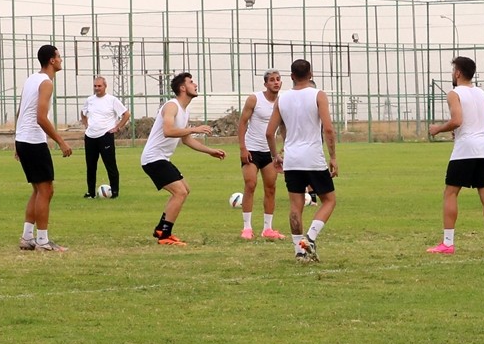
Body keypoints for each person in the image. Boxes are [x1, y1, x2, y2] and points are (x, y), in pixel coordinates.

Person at [140, 72, 226, 246]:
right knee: (180, 192)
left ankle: (160, 227)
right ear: (182, 88)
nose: (195, 85)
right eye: (191, 82)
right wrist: (195, 129)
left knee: (185, 189)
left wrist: (210, 151)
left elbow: (186, 139)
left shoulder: (184, 111)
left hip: (161, 158)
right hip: (153, 158)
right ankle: (165, 235)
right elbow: (168, 131)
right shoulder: (172, 106)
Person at [265, 60, 337, 263]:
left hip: (292, 159)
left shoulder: (282, 98)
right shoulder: (318, 95)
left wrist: (275, 156)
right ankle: (311, 238)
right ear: (311, 74)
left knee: (295, 207)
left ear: (291, 76)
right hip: (313, 157)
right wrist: (332, 156)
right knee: (329, 200)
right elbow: (329, 129)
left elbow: (270, 132)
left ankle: (299, 252)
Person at [426, 56, 484, 255]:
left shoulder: (454, 93)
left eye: (453, 70)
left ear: (458, 72)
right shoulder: (481, 94)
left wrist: (438, 129)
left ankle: (448, 243)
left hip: (465, 149)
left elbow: (457, 120)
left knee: (450, 193)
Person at [15, 44, 73, 251]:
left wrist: (17, 140)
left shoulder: (31, 79)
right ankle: (43, 241)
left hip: (24, 140)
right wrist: (61, 141)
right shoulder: (46, 83)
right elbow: (40, 117)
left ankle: (27, 237)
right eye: (59, 56)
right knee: (46, 190)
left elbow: (20, 110)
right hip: (33, 141)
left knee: (38, 190)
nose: (61, 60)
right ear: (51, 60)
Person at [236, 70, 285, 240]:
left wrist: (284, 148)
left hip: (270, 153)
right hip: (252, 149)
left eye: (278, 79)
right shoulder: (254, 99)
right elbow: (242, 123)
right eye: (272, 80)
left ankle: (267, 229)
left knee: (271, 188)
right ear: (265, 84)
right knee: (250, 184)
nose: (276, 82)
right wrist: (243, 148)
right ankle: (247, 228)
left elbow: (284, 127)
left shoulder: (283, 101)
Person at [81, 75, 129, 199]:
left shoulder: (112, 100)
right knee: (90, 166)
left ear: (105, 86)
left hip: (105, 136)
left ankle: (115, 192)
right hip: (90, 137)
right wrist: (86, 125)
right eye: (95, 86)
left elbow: (126, 114)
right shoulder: (90, 100)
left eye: (99, 86)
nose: (97, 88)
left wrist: (117, 127)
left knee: (110, 164)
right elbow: (83, 113)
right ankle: (90, 192)